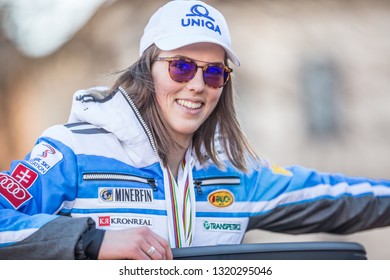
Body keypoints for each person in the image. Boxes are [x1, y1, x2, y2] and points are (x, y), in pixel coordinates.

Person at [1, 0, 390, 260]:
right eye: (181, 66)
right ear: (147, 69)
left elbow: (335, 197)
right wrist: (90, 242)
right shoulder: (72, 150)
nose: (197, 85)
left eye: (215, 72)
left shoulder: (234, 173)